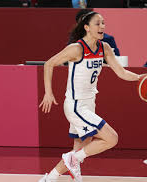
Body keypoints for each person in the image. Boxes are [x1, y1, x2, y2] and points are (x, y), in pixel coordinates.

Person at [38, 11, 141, 182]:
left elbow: (121, 72)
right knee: (111, 138)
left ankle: (50, 178)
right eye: (98, 23)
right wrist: (48, 93)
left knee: (80, 148)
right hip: (75, 106)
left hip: (89, 104)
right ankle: (73, 160)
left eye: (103, 23)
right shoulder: (76, 48)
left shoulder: (104, 47)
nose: (102, 27)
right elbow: (49, 64)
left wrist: (139, 77)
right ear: (86, 28)